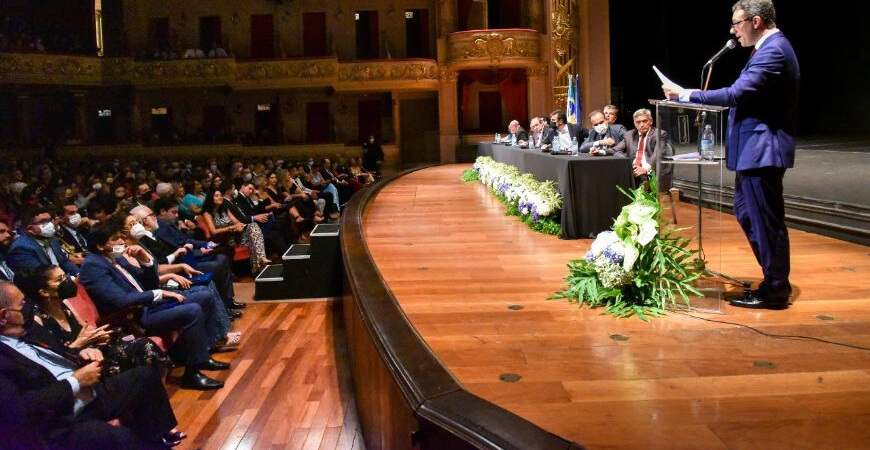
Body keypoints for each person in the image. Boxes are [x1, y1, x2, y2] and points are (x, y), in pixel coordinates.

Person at [663, 0, 799, 310]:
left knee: (765, 220)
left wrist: (685, 94)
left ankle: (776, 289)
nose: (732, 30)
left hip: (763, 151)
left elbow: (737, 93)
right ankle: (774, 278)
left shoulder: (774, 50)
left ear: (756, 22)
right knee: (748, 213)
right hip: (753, 152)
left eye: (736, 23)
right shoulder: (766, 49)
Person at [0, 281, 185, 449]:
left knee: (144, 376)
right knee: (121, 439)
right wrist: (75, 381)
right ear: (3, 316)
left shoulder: (26, 329)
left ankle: (157, 438)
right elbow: (20, 409)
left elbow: (57, 351)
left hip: (85, 391)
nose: (29, 307)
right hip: (60, 419)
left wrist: (80, 354)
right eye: (22, 304)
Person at [79, 221, 227, 390]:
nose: (121, 241)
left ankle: (201, 355)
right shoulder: (93, 266)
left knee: (204, 297)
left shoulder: (115, 258)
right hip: (133, 317)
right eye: (115, 239)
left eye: (121, 237)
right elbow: (120, 300)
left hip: (146, 306)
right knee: (192, 310)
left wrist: (145, 259)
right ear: (100, 245)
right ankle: (191, 374)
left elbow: (148, 282)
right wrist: (160, 293)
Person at [6, 207, 81, 277]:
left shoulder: (52, 239)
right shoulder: (21, 248)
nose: (50, 224)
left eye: (50, 220)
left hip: (63, 278)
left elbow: (64, 262)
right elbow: (40, 275)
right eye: (43, 221)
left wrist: (79, 275)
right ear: (30, 229)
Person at [614, 108, 672, 187]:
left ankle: (644, 181)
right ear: (634, 123)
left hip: (652, 169)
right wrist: (600, 151)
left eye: (645, 121)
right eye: (638, 122)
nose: (641, 125)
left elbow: (657, 154)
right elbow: (615, 149)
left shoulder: (660, 134)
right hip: (634, 169)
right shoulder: (629, 135)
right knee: (617, 155)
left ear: (650, 121)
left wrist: (645, 169)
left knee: (645, 175)